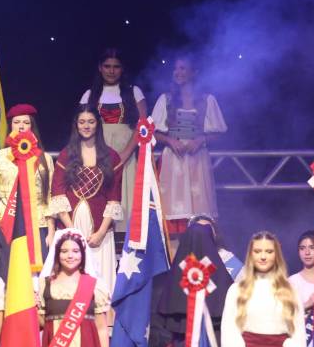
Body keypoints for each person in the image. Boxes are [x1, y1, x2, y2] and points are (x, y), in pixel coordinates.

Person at [221, 231, 305, 347]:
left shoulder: (290, 290)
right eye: (258, 251)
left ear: (276, 255)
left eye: (269, 251)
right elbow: (230, 331)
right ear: (250, 255)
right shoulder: (237, 290)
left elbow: (298, 332)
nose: (263, 256)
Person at [51, 106, 123, 300]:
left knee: (100, 280)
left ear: (98, 124)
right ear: (76, 125)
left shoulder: (111, 156)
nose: (86, 126)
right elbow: (58, 193)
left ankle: (101, 314)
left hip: (99, 229)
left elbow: (114, 197)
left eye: (91, 122)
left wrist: (101, 232)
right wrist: (72, 232)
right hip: (71, 224)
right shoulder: (66, 155)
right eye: (82, 122)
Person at [152, 56, 227, 234]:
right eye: (176, 69)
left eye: (183, 68)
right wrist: (170, 140)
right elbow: (152, 131)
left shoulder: (207, 100)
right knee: (173, 207)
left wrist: (200, 140)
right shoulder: (166, 99)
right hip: (174, 160)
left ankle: (199, 245)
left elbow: (219, 132)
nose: (178, 72)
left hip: (197, 160)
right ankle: (175, 245)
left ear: (194, 72)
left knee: (199, 208)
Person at [79, 48, 148, 230]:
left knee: (127, 195)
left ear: (122, 69)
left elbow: (143, 126)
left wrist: (124, 154)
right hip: (98, 152)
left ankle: (126, 238)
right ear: (100, 68)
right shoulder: (89, 95)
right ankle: (99, 233)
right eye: (107, 66)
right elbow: (81, 126)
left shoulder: (134, 92)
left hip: (126, 153)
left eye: (116, 66)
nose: (111, 71)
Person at [0, 103, 55, 253]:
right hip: (7, 224)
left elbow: (50, 196)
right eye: (16, 122)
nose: (21, 126)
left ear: (32, 126)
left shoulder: (44, 158)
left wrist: (51, 232)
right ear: (10, 126)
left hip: (38, 224)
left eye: (26, 122)